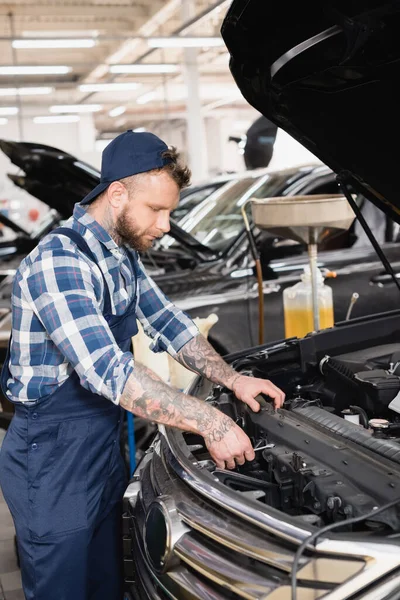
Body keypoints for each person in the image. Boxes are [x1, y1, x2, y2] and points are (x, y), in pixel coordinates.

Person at [0, 130, 285, 600]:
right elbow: (108, 371)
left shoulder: (120, 255)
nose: (167, 225)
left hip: (100, 448)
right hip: (50, 460)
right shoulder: (59, 261)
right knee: (62, 589)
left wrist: (233, 379)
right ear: (117, 195)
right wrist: (209, 423)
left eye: (169, 211)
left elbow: (169, 322)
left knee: (109, 581)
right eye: (156, 210)